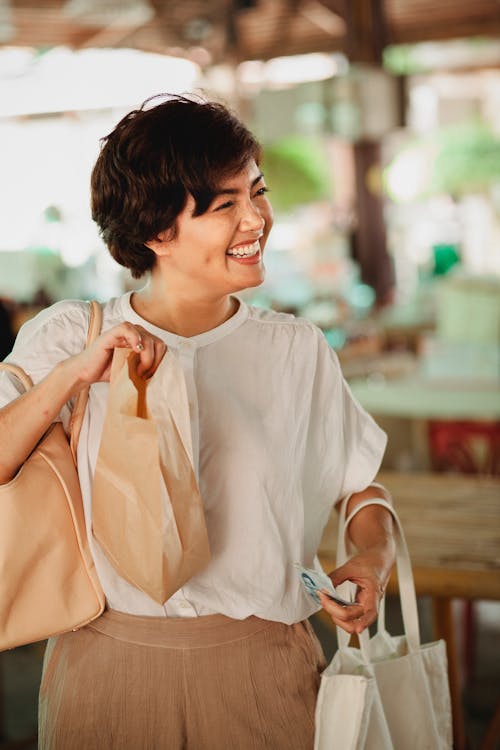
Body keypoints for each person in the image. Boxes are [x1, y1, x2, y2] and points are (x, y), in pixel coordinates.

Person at [0, 94, 395, 750]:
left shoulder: (295, 347)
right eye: (225, 206)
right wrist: (75, 373)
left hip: (263, 671)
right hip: (108, 666)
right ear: (157, 231)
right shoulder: (73, 333)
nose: (257, 219)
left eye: (257, 192)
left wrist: (374, 557)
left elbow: (360, 486)